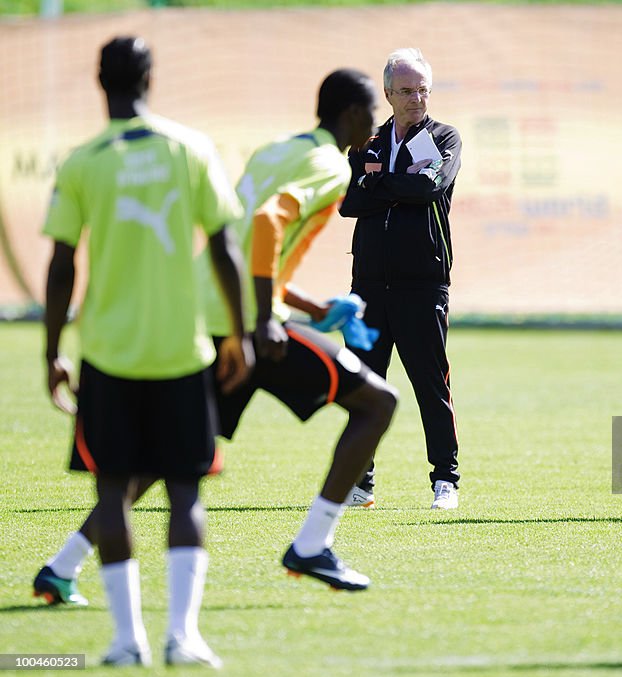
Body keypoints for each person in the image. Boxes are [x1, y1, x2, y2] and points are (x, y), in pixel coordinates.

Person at [33, 68, 398, 604]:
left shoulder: (276, 151)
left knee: (165, 460)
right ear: (350, 115)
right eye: (373, 112)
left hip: (212, 317)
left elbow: (246, 235)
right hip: (248, 327)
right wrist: (267, 319)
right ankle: (313, 544)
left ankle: (61, 567)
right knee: (378, 403)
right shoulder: (329, 166)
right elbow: (271, 224)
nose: (377, 123)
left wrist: (305, 305)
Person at [42, 36, 253, 667]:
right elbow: (224, 246)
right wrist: (239, 334)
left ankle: (125, 640)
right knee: (185, 492)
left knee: (111, 494)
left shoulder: (82, 161)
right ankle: (183, 638)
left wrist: (52, 351)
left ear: (98, 81)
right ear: (150, 78)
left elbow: (59, 265)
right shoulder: (189, 149)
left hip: (105, 356)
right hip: (181, 352)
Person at [340, 47, 463, 510]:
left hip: (422, 283)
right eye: (407, 91)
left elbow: (429, 185)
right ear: (389, 93)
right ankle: (361, 482)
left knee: (430, 384)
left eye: (423, 90)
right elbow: (349, 202)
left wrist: (380, 185)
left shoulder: (445, 137)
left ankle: (445, 480)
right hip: (369, 287)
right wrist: (396, 183)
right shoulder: (368, 142)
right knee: (363, 384)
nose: (417, 98)